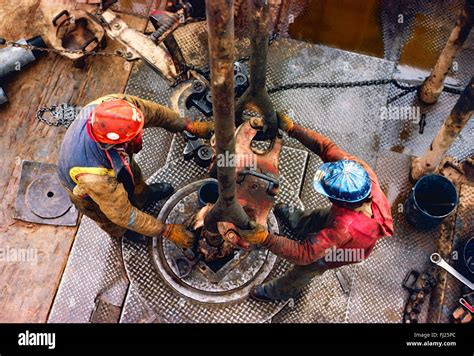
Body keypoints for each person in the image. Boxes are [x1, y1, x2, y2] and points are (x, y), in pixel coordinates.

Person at [240, 112, 394, 301]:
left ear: (341, 202)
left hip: (345, 249)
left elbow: (304, 254)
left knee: (309, 267)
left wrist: (265, 238)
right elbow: (325, 146)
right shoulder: (356, 172)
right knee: (318, 217)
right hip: (345, 219)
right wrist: (293, 128)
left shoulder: (344, 229)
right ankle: (297, 222)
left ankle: (279, 292)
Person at [58, 94, 213, 247]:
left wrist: (187, 125)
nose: (142, 132)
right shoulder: (94, 177)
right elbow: (123, 215)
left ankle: (144, 197)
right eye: (136, 134)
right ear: (116, 142)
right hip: (88, 191)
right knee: (111, 219)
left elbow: (155, 113)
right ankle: (125, 233)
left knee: (134, 178)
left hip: (113, 162)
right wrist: (167, 231)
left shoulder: (119, 108)